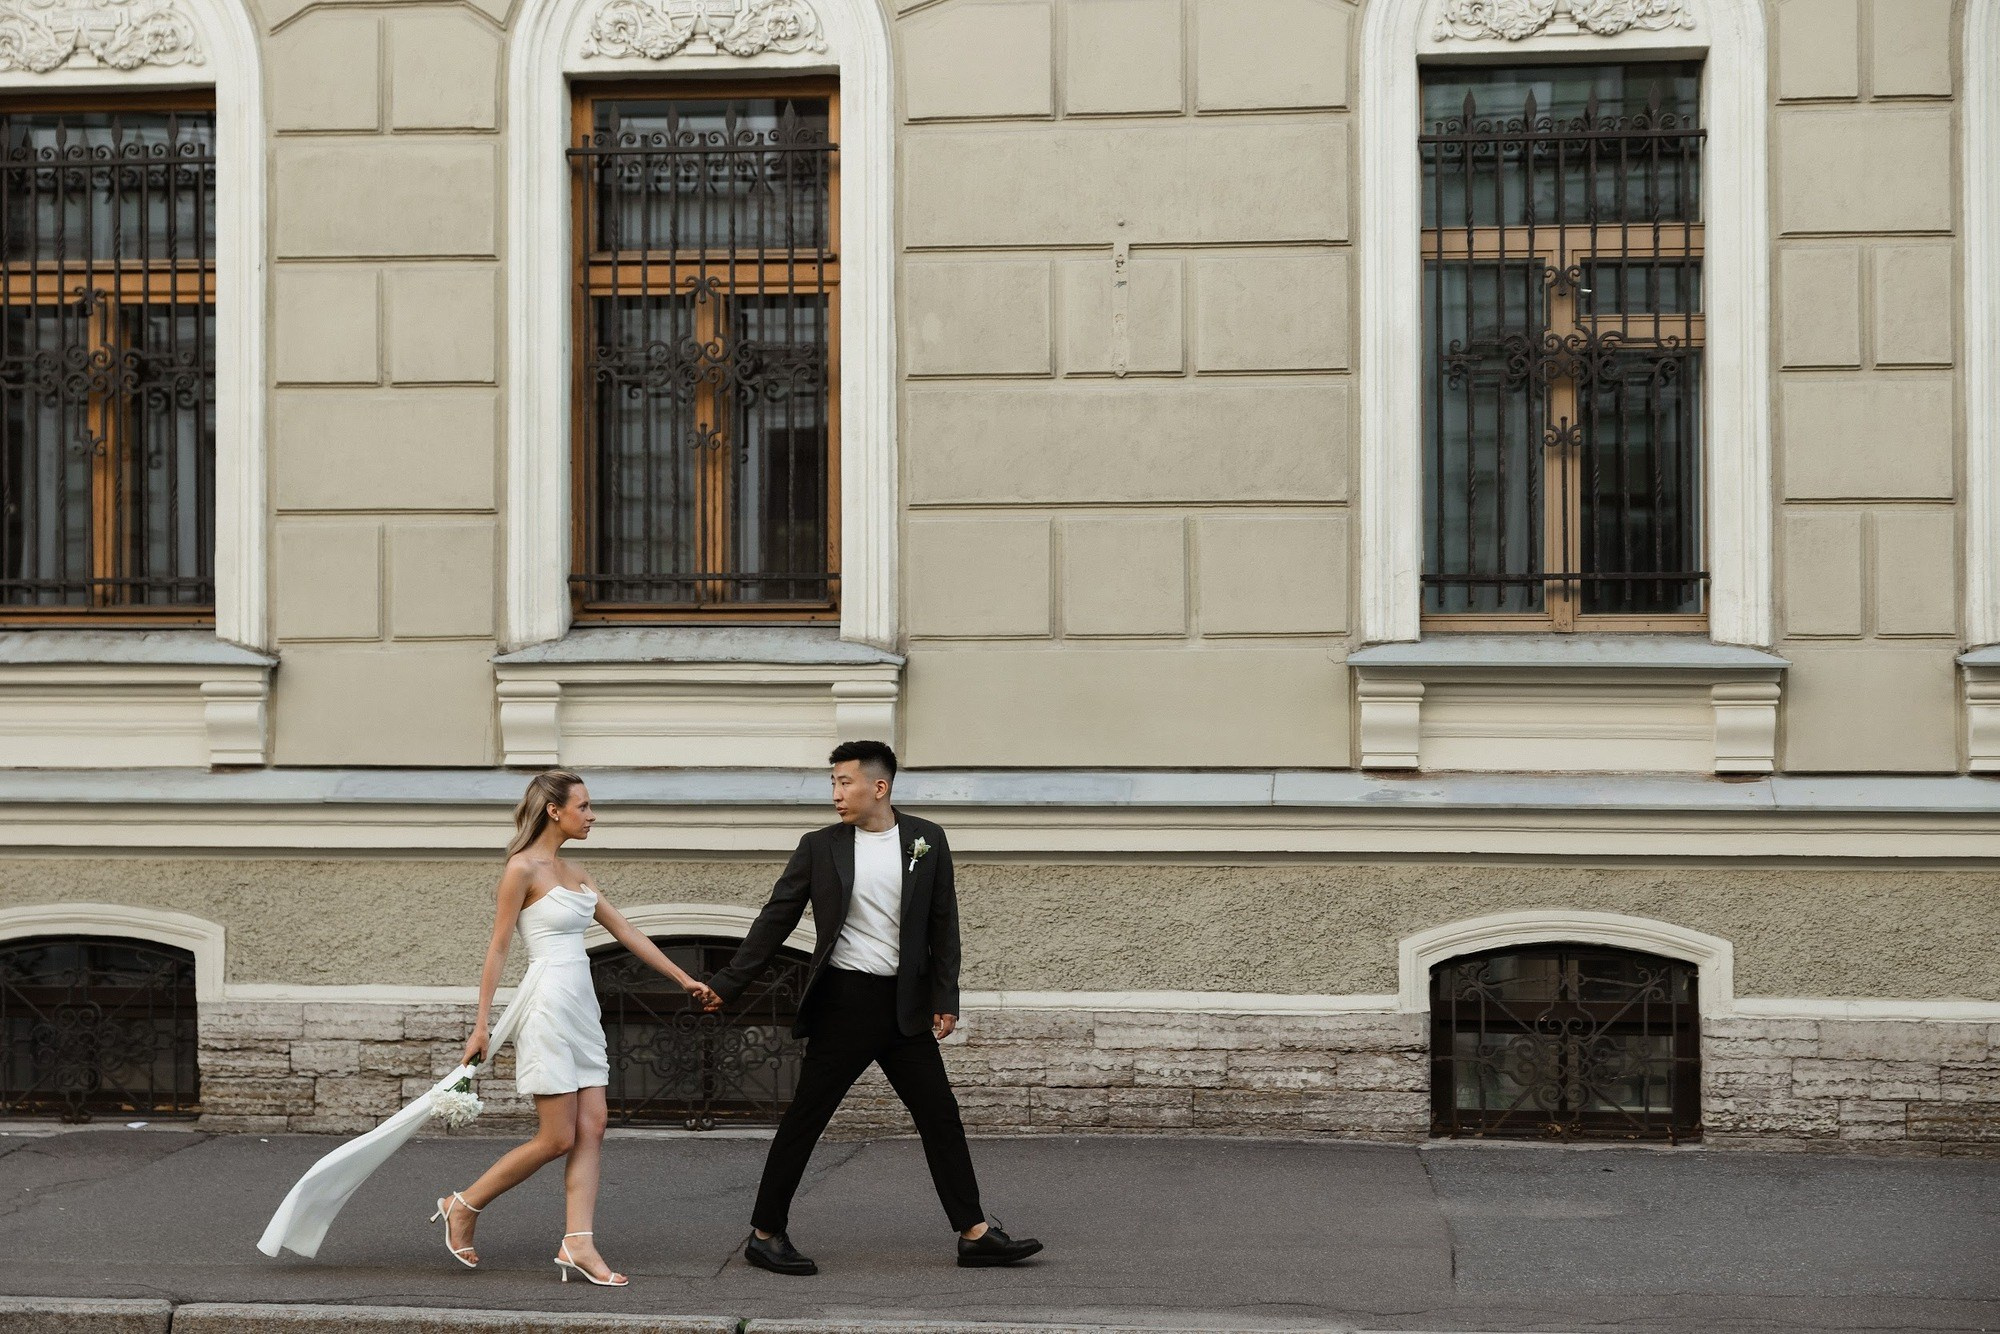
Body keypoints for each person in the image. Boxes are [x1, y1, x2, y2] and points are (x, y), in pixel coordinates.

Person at [702, 740, 1043, 1276]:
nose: (836, 793)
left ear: (878, 787)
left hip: (905, 1009)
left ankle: (974, 1233)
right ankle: (765, 1234)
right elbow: (777, 918)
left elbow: (942, 925)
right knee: (807, 1119)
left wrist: (944, 997)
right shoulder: (820, 846)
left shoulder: (926, 840)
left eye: (845, 782)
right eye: (834, 783)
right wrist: (728, 982)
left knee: (940, 1116)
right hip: (845, 1003)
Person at [434, 770, 720, 1286]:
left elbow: (625, 930)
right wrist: (481, 1026)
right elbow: (498, 948)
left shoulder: (576, 870)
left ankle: (578, 1243)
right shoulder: (521, 870)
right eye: (584, 806)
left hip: (582, 1009)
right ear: (554, 810)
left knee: (593, 1127)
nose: (592, 815)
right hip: (546, 1006)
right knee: (556, 1137)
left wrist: (684, 979)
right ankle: (463, 1203)